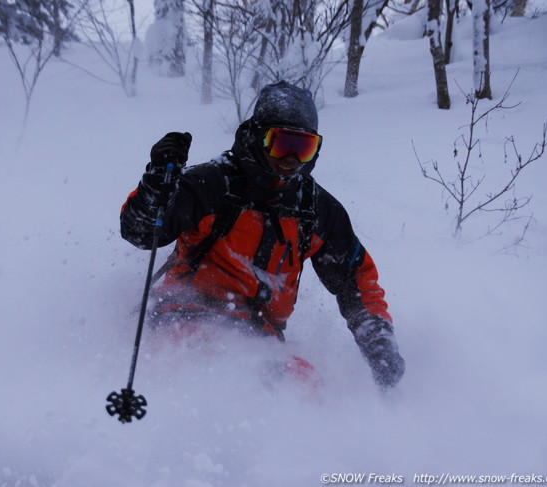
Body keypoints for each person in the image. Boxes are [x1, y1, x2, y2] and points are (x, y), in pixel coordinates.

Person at [120, 81, 405, 390]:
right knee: (217, 373)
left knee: (304, 385)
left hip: (259, 335)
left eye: (304, 148)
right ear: (258, 137)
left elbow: (355, 279)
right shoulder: (213, 184)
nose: (291, 159)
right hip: (184, 315)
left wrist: (377, 340)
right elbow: (141, 231)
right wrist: (155, 188)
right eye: (282, 144)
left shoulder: (314, 209)